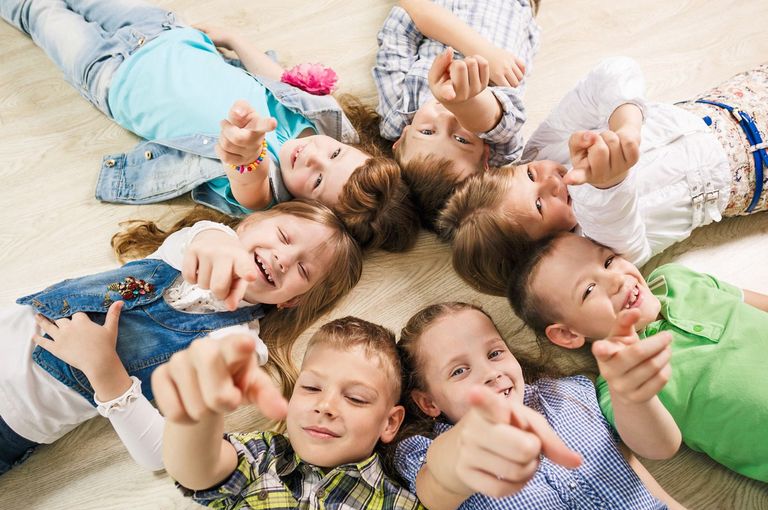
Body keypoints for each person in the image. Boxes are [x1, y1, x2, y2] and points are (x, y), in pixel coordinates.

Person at [0, 0, 419, 252]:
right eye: (335, 153)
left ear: (307, 208)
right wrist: (234, 40)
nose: (313, 156)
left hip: (111, 75)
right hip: (165, 34)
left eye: (317, 180)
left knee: (39, 12)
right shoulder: (321, 121)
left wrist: (247, 153)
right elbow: (276, 77)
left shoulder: (265, 193)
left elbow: (248, 176)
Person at [0, 200, 362, 476]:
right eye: (283, 237)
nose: (284, 257)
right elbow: (208, 235)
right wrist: (218, 240)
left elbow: (164, 454)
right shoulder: (187, 249)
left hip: (13, 417)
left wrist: (104, 371)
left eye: (303, 269)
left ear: (291, 301)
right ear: (249, 223)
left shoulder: (236, 346)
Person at [394, 301, 739, 510]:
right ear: (429, 403)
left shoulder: (571, 396)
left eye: (495, 353)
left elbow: (669, 509)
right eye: (459, 371)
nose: (490, 372)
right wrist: (466, 448)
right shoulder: (426, 453)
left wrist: (634, 393)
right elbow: (437, 485)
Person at [152, 317, 456, 510]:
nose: (325, 405)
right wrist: (197, 409)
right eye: (311, 388)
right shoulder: (263, 457)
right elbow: (195, 471)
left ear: (389, 423)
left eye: (355, 398)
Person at [440, 57, 768, 294]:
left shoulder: (542, 152)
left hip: (732, 102)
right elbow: (610, 214)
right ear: (545, 252)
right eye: (539, 205)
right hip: (758, 170)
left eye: (528, 175)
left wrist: (627, 125)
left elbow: (614, 72)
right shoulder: (598, 248)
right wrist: (608, 183)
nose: (551, 180)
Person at [506, 232, 768, 482]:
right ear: (567, 334)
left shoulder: (675, 279)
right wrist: (632, 393)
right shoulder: (618, 389)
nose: (616, 280)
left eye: (608, 261)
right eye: (589, 290)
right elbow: (660, 447)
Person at [372, 0, 540, 227]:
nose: (446, 118)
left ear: (402, 137)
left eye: (427, 132)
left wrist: (478, 48)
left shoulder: (397, 113)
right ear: (486, 160)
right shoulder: (499, 147)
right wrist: (467, 104)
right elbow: (507, 119)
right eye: (461, 139)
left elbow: (397, 36)